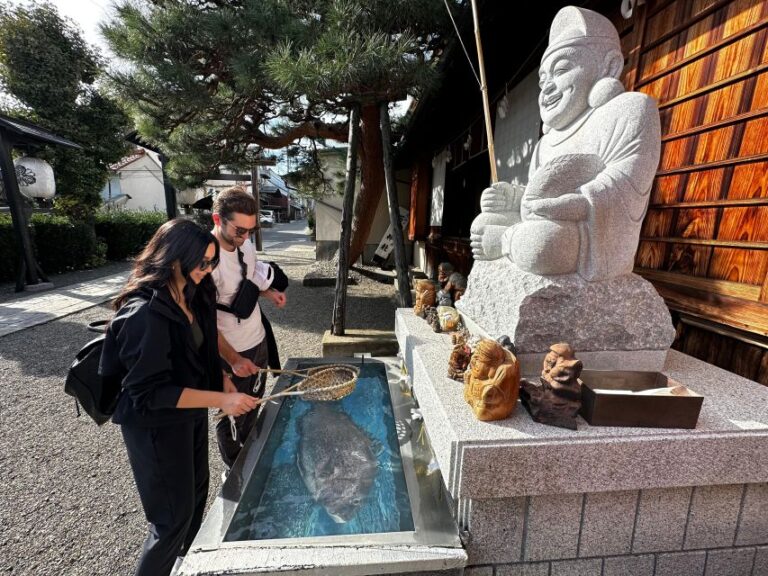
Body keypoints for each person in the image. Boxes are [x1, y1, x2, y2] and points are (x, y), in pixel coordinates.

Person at [99, 218, 259, 576]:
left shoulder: (192, 290)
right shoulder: (144, 314)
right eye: (203, 262)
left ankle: (184, 564)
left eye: (213, 261)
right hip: (154, 424)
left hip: (188, 412)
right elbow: (148, 393)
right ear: (173, 258)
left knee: (195, 495)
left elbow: (198, 348)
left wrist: (223, 376)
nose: (209, 269)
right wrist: (221, 401)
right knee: (169, 519)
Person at [470, 6, 661, 281]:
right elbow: (536, 195)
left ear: (608, 66)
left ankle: (505, 241)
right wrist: (513, 197)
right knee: (484, 222)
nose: (546, 87)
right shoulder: (545, 144)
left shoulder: (629, 111)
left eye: (561, 70)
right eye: (542, 79)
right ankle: (509, 239)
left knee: (544, 243)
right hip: (544, 221)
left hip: (585, 234)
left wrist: (578, 204)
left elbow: (627, 182)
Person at [210, 187, 287, 468]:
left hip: (256, 338)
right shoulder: (206, 259)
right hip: (229, 347)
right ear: (217, 220)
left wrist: (269, 293)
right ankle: (234, 469)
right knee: (230, 411)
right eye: (239, 230)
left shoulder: (246, 245)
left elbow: (251, 275)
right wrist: (233, 359)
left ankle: (251, 455)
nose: (244, 238)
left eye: (250, 231)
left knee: (253, 402)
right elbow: (202, 322)